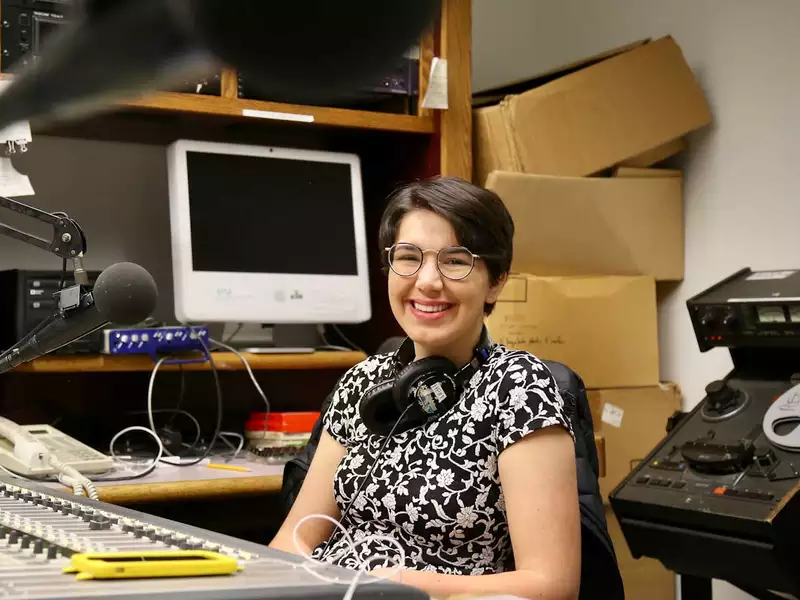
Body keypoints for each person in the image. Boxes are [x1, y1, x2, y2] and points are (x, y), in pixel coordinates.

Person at [269, 176, 581, 600]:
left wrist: (393, 584)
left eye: (456, 261)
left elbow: (550, 585)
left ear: (496, 281)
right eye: (409, 257)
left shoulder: (520, 388)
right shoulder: (363, 382)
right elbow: (294, 542)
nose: (428, 281)